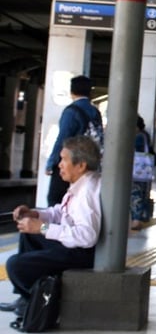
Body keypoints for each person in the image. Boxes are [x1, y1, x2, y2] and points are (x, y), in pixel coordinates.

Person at [1, 135, 102, 318]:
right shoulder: (82, 184)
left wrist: (43, 228)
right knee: (28, 233)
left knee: (15, 266)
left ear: (81, 165)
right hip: (73, 246)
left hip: (81, 253)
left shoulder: (88, 192)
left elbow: (87, 236)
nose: (59, 165)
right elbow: (61, 212)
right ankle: (25, 299)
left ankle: (36, 300)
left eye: (64, 160)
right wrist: (35, 215)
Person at [45, 75, 103, 206]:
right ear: (90, 92)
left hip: (72, 162)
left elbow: (62, 139)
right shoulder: (95, 112)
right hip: (88, 164)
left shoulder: (71, 111)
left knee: (55, 199)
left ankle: (57, 220)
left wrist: (52, 163)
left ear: (71, 91)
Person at [130, 116, 156, 230]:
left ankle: (136, 220)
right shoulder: (145, 135)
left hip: (137, 172)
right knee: (141, 194)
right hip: (143, 173)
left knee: (136, 195)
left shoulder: (139, 137)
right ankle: (139, 219)